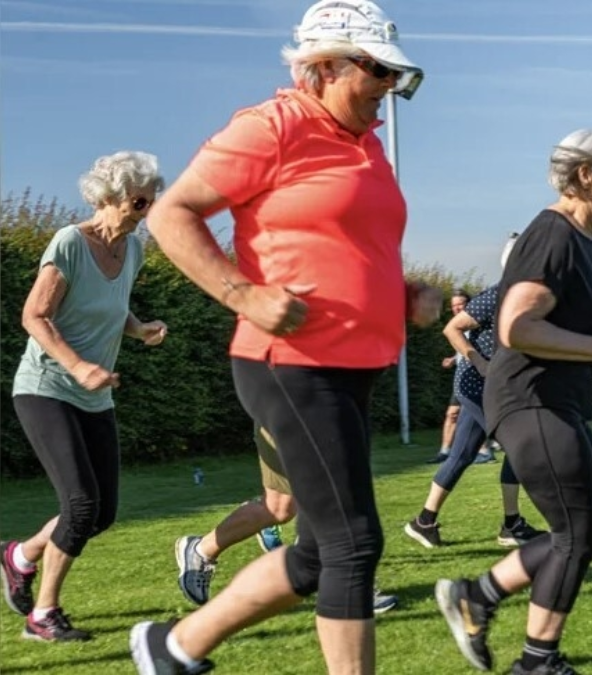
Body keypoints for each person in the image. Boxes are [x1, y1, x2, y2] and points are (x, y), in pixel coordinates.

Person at [129, 2, 438, 673]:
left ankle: (174, 645)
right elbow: (172, 215)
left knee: (319, 550)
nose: (388, 86)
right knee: (354, 543)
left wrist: (406, 292)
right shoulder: (270, 127)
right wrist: (242, 294)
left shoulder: (367, 142)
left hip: (356, 364)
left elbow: (348, 245)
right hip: (290, 363)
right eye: (377, 70)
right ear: (322, 66)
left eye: (396, 75)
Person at [434, 129, 592, 675]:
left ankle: (476, 597)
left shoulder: (583, 241)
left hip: (558, 403)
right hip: (531, 401)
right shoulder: (552, 235)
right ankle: (537, 662)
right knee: (574, 536)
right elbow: (517, 326)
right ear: (584, 174)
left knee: (590, 535)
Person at [0, 151, 167, 642]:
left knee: (102, 512)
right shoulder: (70, 242)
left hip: (94, 396)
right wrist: (78, 365)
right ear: (109, 197)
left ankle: (19, 555)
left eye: (150, 201)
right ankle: (43, 615)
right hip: (47, 388)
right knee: (79, 503)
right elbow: (35, 316)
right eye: (139, 201)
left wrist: (141, 330)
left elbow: (113, 308)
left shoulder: (132, 250)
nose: (145, 210)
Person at [404, 238, 545, 550]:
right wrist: (480, 362)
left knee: (462, 454)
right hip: (479, 388)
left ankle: (424, 522)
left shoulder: (525, 298)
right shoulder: (496, 295)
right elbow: (452, 328)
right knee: (520, 447)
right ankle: (511, 525)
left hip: (491, 388)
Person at [173, 426, 399, 614]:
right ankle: (350, 584)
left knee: (281, 507)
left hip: (326, 403)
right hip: (288, 403)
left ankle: (201, 549)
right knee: (313, 496)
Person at [427, 289, 472, 464]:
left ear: (469, 304)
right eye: (454, 305)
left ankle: (487, 449)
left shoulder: (478, 323)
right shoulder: (455, 325)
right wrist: (453, 360)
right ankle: (444, 452)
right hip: (462, 375)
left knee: (478, 414)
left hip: (479, 375)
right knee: (452, 414)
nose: (457, 308)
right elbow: (462, 351)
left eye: (461, 304)